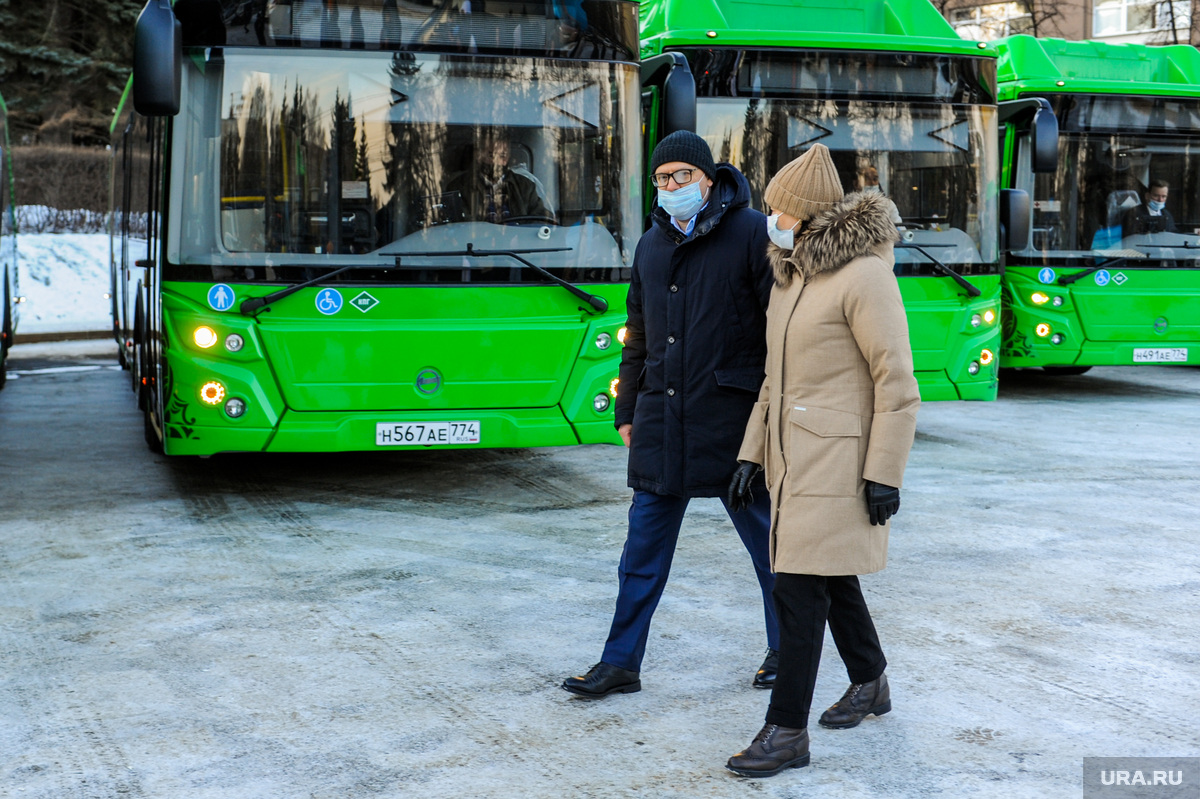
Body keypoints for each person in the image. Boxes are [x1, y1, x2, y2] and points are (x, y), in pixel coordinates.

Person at [724, 144, 920, 777]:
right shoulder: (790, 274)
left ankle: (785, 732)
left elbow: (897, 382)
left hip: (839, 463)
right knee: (830, 576)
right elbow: (773, 381)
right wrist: (750, 455)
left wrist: (884, 473)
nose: (770, 217)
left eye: (779, 208)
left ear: (808, 216)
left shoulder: (865, 276)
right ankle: (871, 681)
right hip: (790, 460)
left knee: (798, 591)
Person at [562, 130, 780, 699]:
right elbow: (637, 337)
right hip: (662, 418)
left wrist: (768, 421)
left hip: (735, 424)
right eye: (662, 178)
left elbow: (781, 335)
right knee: (640, 554)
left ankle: (786, 649)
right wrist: (629, 408)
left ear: (709, 178)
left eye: (683, 175)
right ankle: (620, 662)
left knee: (771, 550)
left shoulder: (752, 234)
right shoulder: (651, 245)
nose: (672, 186)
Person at [446, 134, 553, 223]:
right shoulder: (459, 187)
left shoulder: (525, 186)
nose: (496, 162)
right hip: (478, 246)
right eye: (491, 155)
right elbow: (457, 226)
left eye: (502, 156)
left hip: (520, 246)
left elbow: (543, 219)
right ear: (477, 154)